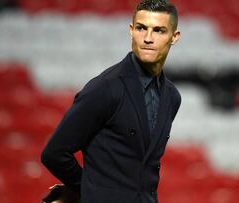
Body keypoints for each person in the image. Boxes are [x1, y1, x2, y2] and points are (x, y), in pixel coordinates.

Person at [41, 0, 181, 202]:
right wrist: (90, 190)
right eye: (142, 28)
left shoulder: (172, 97)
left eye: (159, 30)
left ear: (174, 37)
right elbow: (54, 153)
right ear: (131, 31)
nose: (148, 38)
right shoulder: (105, 88)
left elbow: (145, 166)